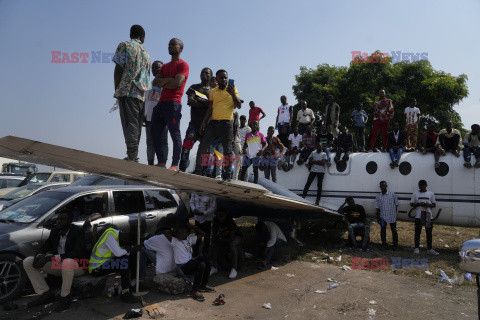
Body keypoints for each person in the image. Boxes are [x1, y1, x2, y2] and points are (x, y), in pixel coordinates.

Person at [23, 210, 86, 312]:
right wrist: (39, 257)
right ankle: (45, 294)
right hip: (60, 266)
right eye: (58, 219)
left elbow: (77, 253)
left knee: (67, 262)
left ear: (69, 221)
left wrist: (50, 258)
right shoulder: (55, 231)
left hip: (77, 266)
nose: (59, 222)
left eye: (62, 219)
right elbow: (44, 247)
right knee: (28, 261)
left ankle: (65, 298)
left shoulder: (77, 231)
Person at [194, 69, 242, 181]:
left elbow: (238, 105)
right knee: (203, 146)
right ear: (217, 79)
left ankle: (227, 175)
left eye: (226, 77)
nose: (224, 79)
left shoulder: (232, 89)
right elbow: (210, 109)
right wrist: (204, 122)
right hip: (213, 123)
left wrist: (233, 94)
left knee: (227, 150)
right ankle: (198, 170)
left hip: (227, 124)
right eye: (222, 78)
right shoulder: (213, 91)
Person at [113, 25, 151, 162]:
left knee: (129, 125)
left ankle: (132, 156)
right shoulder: (147, 54)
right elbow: (147, 78)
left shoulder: (125, 45)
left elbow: (118, 69)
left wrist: (117, 89)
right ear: (142, 37)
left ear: (131, 34)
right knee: (136, 127)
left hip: (127, 91)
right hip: (141, 95)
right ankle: (133, 155)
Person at [151, 38, 189, 170]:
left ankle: (174, 164)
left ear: (181, 48)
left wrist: (166, 81)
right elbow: (155, 82)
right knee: (154, 133)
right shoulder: (165, 66)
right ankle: (161, 162)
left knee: (174, 134)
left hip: (173, 103)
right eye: (169, 44)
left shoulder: (183, 65)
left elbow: (177, 83)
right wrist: (170, 80)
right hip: (161, 104)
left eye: (174, 44)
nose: (170, 46)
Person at [88, 226, 142, 303]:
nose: (124, 245)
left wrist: (131, 249)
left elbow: (123, 252)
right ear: (124, 238)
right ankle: (125, 293)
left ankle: (132, 284)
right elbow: (118, 253)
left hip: (103, 264)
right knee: (122, 261)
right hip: (96, 268)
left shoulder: (117, 236)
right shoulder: (110, 235)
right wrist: (131, 249)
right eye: (125, 243)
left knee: (129, 256)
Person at [179, 68, 213, 172]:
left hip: (208, 126)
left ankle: (203, 172)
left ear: (211, 76)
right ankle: (182, 169)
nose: (203, 74)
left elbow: (213, 106)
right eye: (201, 72)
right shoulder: (193, 87)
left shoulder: (213, 91)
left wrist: (199, 100)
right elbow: (190, 102)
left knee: (206, 152)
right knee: (186, 147)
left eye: (206, 73)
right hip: (194, 124)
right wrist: (207, 103)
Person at [170, 224, 214, 302]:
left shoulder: (189, 239)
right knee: (201, 265)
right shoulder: (175, 241)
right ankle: (193, 291)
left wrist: (193, 227)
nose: (180, 235)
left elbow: (203, 234)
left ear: (187, 234)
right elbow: (165, 234)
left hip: (190, 261)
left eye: (183, 233)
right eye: (179, 233)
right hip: (183, 266)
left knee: (207, 261)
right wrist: (174, 232)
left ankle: (203, 285)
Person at [144, 61, 168, 165]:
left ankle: (162, 164)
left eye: (157, 68)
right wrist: (143, 115)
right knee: (150, 141)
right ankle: (150, 164)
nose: (154, 70)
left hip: (163, 117)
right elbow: (144, 100)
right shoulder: (148, 83)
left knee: (163, 141)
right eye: (153, 68)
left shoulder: (166, 84)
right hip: (149, 118)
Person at [210, 208, 243, 279]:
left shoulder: (229, 221)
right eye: (218, 215)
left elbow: (232, 237)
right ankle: (214, 266)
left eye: (222, 215)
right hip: (224, 237)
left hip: (236, 237)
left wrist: (221, 241)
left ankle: (234, 268)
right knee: (214, 244)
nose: (220, 217)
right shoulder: (215, 220)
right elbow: (214, 234)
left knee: (232, 244)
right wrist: (217, 240)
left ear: (225, 215)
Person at [410, 180, 439, 255]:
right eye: (420, 185)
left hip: (428, 215)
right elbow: (412, 204)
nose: (421, 187)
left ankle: (429, 249)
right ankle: (416, 248)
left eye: (423, 185)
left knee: (428, 232)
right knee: (417, 232)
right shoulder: (415, 193)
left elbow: (434, 204)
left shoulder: (430, 193)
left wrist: (428, 205)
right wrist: (419, 204)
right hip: (419, 215)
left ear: (426, 185)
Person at [190, 193, 216, 257]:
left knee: (207, 236)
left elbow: (213, 207)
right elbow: (192, 202)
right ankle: (195, 253)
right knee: (198, 235)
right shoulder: (194, 191)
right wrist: (193, 209)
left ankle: (205, 253)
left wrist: (204, 213)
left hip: (207, 218)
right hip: (197, 218)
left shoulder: (210, 193)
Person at [375, 181, 399, 250]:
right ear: (380, 187)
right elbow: (377, 208)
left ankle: (395, 245)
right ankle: (384, 244)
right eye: (381, 186)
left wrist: (394, 213)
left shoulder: (392, 194)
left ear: (386, 186)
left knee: (394, 230)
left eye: (384, 185)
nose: (383, 187)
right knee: (383, 230)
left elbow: (396, 204)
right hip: (383, 217)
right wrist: (378, 217)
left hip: (392, 216)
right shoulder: (378, 196)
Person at [302, 141, 327, 205]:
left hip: (321, 172)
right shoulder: (313, 153)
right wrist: (318, 161)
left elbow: (323, 163)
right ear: (316, 147)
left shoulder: (324, 154)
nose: (319, 147)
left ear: (322, 147)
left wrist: (314, 161)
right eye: (318, 146)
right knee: (308, 183)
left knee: (319, 186)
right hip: (313, 170)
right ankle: (303, 197)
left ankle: (317, 200)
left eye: (320, 146)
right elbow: (310, 161)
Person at [233, 115, 252, 179]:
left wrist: (245, 148)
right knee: (238, 164)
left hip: (245, 149)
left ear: (246, 120)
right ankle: (236, 178)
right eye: (241, 119)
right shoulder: (237, 128)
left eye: (243, 119)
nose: (242, 120)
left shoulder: (248, 129)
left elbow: (249, 140)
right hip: (237, 148)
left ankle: (245, 180)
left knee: (244, 166)